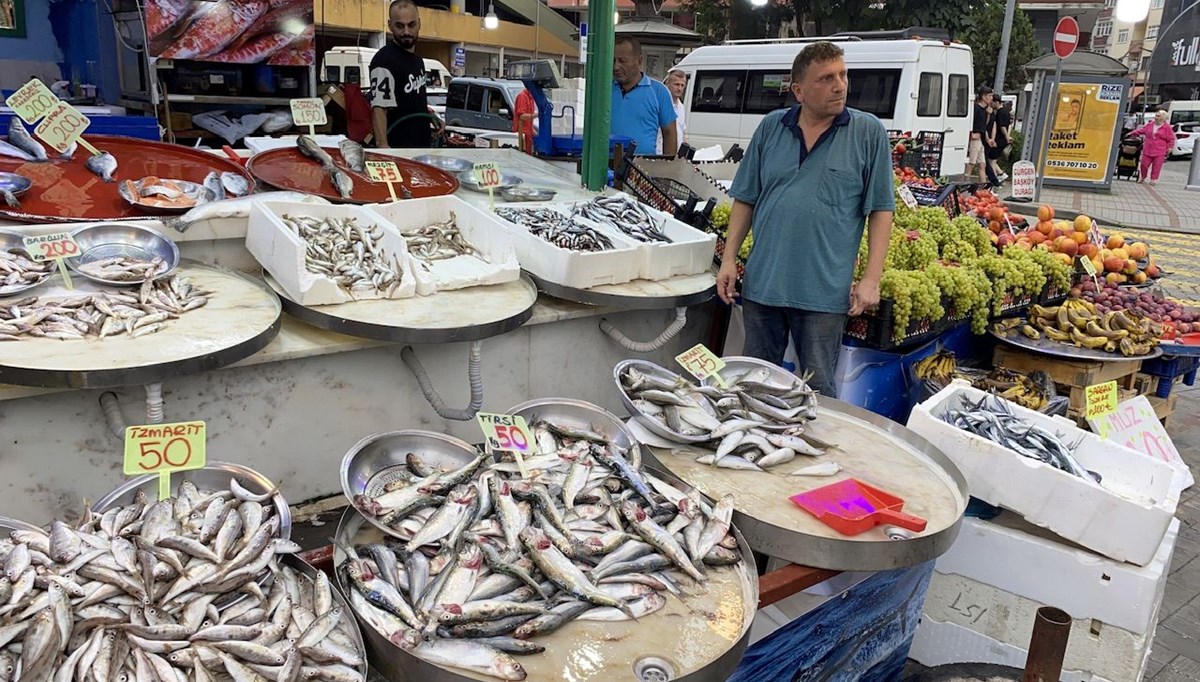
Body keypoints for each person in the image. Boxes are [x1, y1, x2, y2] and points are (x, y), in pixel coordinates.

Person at [716, 41, 895, 397]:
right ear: (798, 90)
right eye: (826, 78)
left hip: (823, 295)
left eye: (843, 75)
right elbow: (745, 198)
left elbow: (881, 210)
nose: (840, 85)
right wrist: (729, 258)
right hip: (764, 288)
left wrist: (871, 278)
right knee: (754, 387)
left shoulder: (868, 132)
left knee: (820, 394)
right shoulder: (771, 128)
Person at [370, 0, 437, 148]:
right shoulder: (384, 60)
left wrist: (429, 115)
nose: (406, 32)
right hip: (399, 151)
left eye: (411, 25)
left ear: (419, 23)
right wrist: (383, 148)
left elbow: (410, 100)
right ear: (390, 25)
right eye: (399, 26)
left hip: (421, 148)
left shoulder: (418, 60)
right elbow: (379, 107)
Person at [611, 36, 677, 156]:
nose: (616, 67)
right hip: (605, 168)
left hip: (642, 168)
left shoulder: (658, 91)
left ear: (639, 61)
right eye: (613, 61)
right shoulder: (605, 91)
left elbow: (669, 133)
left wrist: (668, 169)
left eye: (622, 61)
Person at [1132, 109, 1177, 185]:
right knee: (1144, 164)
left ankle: (1153, 179)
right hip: (1148, 148)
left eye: (1158, 116)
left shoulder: (1167, 127)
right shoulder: (1150, 124)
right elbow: (1142, 130)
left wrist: (1170, 147)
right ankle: (1143, 176)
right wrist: (1132, 133)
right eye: (1156, 115)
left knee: (1156, 166)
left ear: (1163, 118)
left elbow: (1171, 138)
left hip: (1160, 150)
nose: (1156, 117)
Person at [967, 86, 998, 186]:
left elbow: (984, 125)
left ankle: (983, 187)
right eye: (990, 96)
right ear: (984, 97)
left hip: (980, 138)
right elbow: (970, 122)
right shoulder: (976, 108)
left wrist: (987, 138)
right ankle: (965, 182)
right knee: (971, 162)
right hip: (975, 138)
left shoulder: (985, 110)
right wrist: (970, 134)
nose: (991, 98)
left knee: (982, 164)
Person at [658, 69, 687, 155]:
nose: (679, 88)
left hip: (676, 156)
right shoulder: (659, 105)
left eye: (682, 85)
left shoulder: (681, 107)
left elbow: (682, 131)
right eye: (676, 84)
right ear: (667, 84)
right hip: (660, 154)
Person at [987, 97, 1010, 184]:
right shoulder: (1006, 111)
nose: (991, 104)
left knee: (991, 160)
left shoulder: (1000, 113)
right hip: (1002, 139)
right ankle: (1000, 174)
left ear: (997, 102)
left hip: (999, 139)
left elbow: (1002, 126)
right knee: (991, 159)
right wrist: (1008, 135)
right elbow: (1009, 125)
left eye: (992, 102)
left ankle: (995, 179)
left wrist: (1006, 136)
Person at [513, 87, 537, 155]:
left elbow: (529, 120)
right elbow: (522, 116)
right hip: (523, 133)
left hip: (528, 133)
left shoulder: (531, 97)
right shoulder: (522, 96)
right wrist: (536, 115)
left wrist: (533, 131)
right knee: (525, 156)